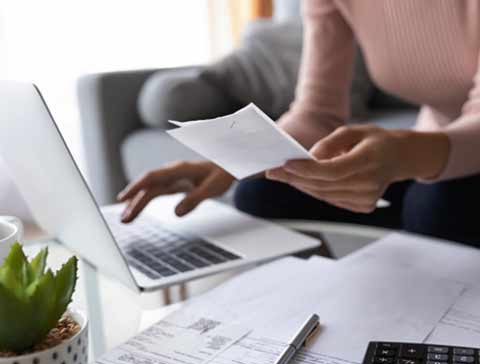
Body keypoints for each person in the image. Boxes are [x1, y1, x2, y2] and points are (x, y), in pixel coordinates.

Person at [119, 0, 480, 247]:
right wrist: (228, 163)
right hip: (433, 152)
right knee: (265, 192)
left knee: (437, 203)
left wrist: (403, 153)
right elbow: (317, 113)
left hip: (452, 158)